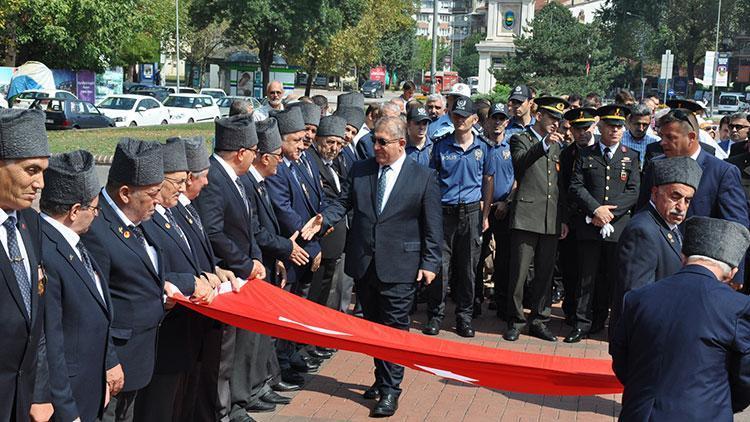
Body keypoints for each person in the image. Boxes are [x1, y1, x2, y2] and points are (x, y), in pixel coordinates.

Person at [300, 115, 442, 417]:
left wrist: (430, 262)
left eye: (382, 142)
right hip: (365, 263)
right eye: (374, 140)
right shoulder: (361, 169)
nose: (374, 146)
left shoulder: (423, 177)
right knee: (375, 329)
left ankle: (391, 391)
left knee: (395, 330)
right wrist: (325, 218)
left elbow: (433, 226)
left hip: (401, 266)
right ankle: (381, 379)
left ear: (401, 144)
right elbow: (343, 202)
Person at [610, 216, 750, 421]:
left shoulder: (637, 298)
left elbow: (622, 360)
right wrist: (717, 402)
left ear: (683, 256)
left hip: (640, 413)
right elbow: (744, 377)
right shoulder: (738, 307)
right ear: (732, 273)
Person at [133, 138, 218, 422]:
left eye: (186, 180)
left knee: (179, 404)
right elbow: (151, 272)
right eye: (178, 181)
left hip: (186, 329)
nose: (183, 188)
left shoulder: (175, 210)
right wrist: (190, 281)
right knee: (159, 407)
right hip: (165, 333)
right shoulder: (147, 217)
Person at [81, 138, 164, 422]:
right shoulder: (97, 229)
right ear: (126, 193)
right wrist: (109, 360)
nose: (159, 199)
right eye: (153, 193)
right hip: (115, 364)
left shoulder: (140, 220)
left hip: (139, 357)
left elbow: (145, 272)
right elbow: (94, 306)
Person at [193, 114, 266, 422]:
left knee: (234, 350)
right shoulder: (215, 181)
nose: (256, 155)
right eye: (254, 149)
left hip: (241, 275)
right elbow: (214, 232)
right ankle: (222, 412)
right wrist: (244, 264)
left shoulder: (236, 179)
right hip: (224, 278)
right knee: (222, 355)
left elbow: (246, 227)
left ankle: (234, 404)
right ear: (240, 152)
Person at [40, 150, 113, 422]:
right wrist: (67, 411)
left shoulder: (72, 240)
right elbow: (51, 342)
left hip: (88, 387)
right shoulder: (45, 251)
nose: (96, 216)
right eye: (94, 208)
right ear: (74, 211)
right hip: (67, 399)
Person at [639, 108, 749, 283]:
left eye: (670, 138)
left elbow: (736, 227)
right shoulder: (656, 166)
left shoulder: (721, 172)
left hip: (702, 273)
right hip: (657, 267)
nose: (662, 143)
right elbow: (642, 211)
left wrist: (735, 276)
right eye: (662, 137)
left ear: (691, 137)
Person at [564, 105, 640, 343]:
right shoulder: (587, 155)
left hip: (617, 228)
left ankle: (607, 322)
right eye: (611, 126)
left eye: (619, 126)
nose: (615, 131)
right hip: (590, 223)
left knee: (612, 278)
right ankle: (581, 323)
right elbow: (576, 186)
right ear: (602, 128)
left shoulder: (631, 156)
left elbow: (634, 191)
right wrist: (596, 210)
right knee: (586, 277)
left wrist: (609, 214)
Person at [610, 156, 702, 340]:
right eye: (675, 196)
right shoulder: (642, 231)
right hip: (647, 340)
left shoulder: (668, 224)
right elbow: (636, 299)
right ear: (654, 193)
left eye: (688, 200)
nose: (681, 207)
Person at [425, 96, 494, 338]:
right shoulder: (441, 145)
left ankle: (464, 317)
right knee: (441, 268)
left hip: (472, 214)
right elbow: (431, 181)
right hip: (444, 214)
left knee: (467, 270)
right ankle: (435, 315)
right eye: (456, 116)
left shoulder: (484, 147)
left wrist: (485, 215)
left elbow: (488, 181)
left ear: (474, 119)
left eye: (465, 117)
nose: (460, 120)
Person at [504, 96, 570, 343]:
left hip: (550, 218)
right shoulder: (521, 138)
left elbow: (560, 185)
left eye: (558, 120)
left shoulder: (558, 145)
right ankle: (516, 320)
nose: (556, 124)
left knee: (545, 274)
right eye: (552, 118)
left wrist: (562, 218)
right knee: (519, 273)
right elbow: (520, 163)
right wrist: (543, 143)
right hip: (526, 215)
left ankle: (540, 320)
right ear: (539, 115)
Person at [0, 109, 50, 422]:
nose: (40, 183)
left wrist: (40, 393)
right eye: (31, 170)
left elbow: (39, 319)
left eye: (43, 171)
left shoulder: (29, 222)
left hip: (23, 398)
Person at [305, 116, 348, 355]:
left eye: (339, 144)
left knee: (325, 294)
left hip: (335, 241)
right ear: (318, 139)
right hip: (319, 240)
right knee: (313, 295)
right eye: (330, 142)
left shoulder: (337, 162)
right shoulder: (312, 162)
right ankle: (306, 344)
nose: (334, 148)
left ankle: (316, 340)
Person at [558, 107, 597, 324]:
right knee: (570, 267)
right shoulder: (567, 153)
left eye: (585, 128)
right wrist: (563, 218)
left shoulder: (602, 150)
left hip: (596, 218)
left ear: (593, 126)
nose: (582, 133)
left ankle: (590, 313)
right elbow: (562, 188)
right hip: (573, 219)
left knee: (592, 272)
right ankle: (571, 310)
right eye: (576, 129)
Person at [475, 103, 514, 318]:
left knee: (504, 259)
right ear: (487, 120)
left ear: (507, 122)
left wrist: (507, 202)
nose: (498, 122)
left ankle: (500, 300)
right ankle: (475, 299)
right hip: (481, 208)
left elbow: (518, 178)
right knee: (477, 256)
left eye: (502, 119)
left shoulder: (512, 145)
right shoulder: (478, 145)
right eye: (494, 118)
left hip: (504, 208)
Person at [620, 103, 660, 168]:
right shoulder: (619, 140)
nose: (641, 129)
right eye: (637, 124)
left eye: (645, 125)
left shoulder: (656, 141)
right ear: (629, 121)